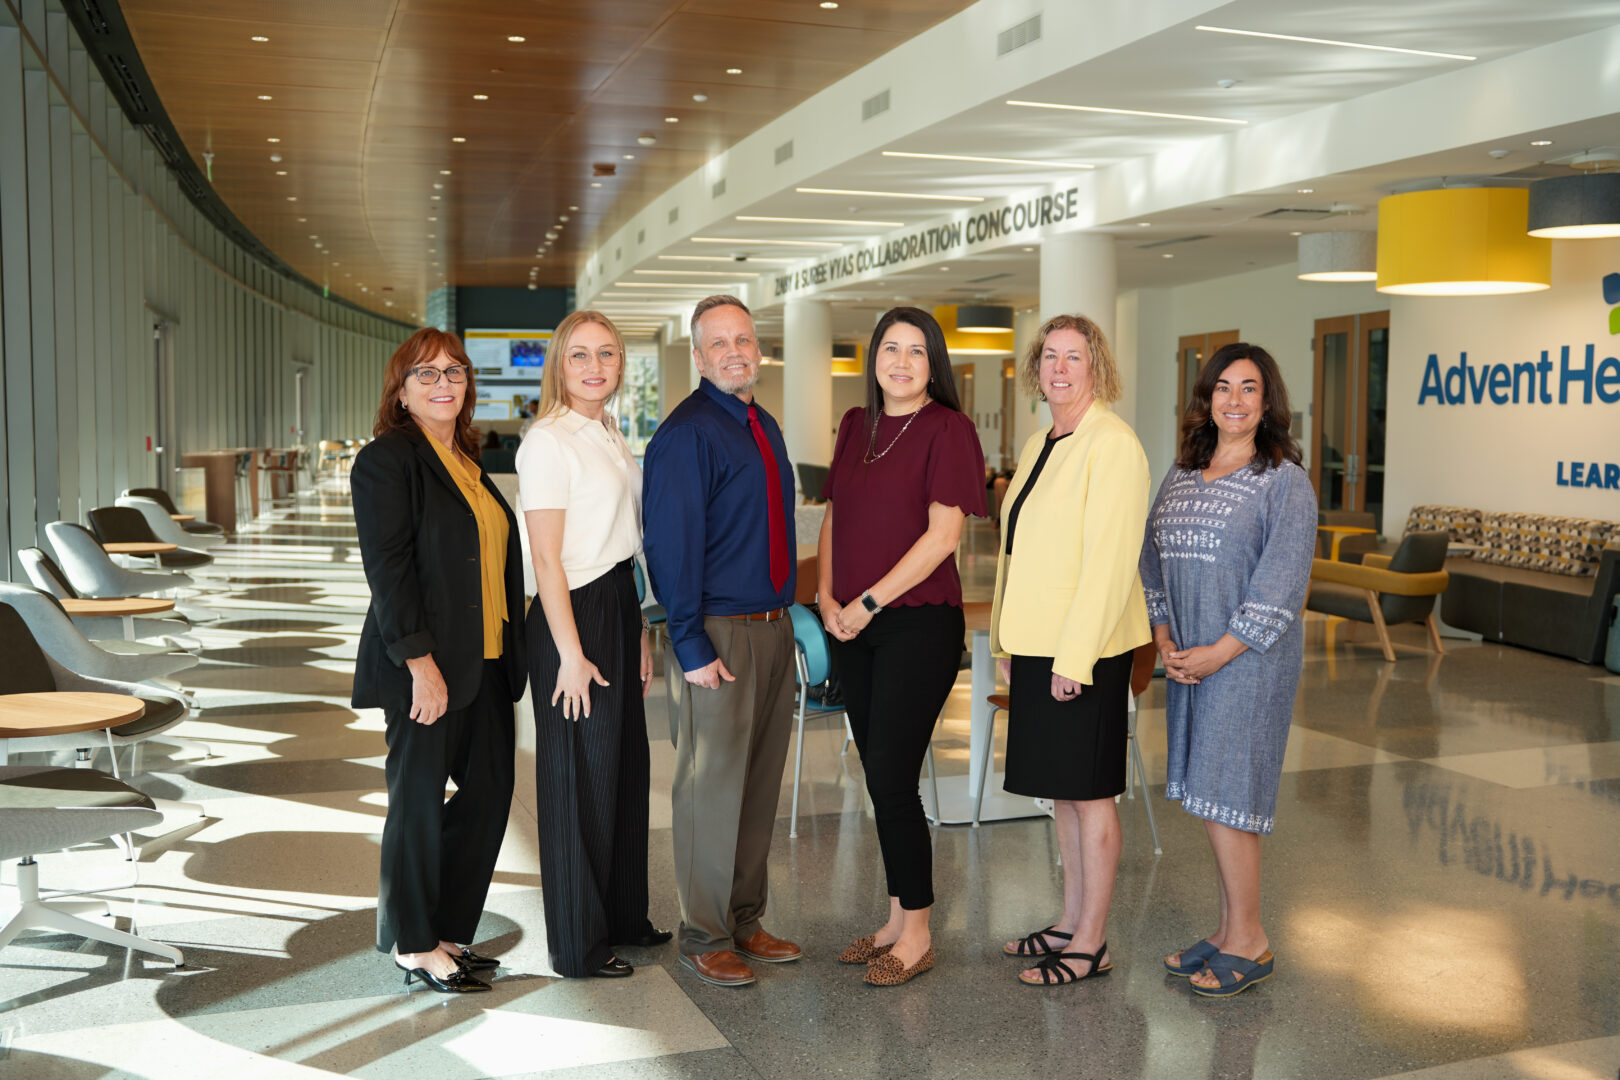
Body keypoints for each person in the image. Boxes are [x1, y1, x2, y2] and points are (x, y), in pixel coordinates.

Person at [351, 327, 527, 994]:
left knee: (489, 795)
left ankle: (446, 929)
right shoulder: (387, 461)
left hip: (488, 662)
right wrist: (418, 663)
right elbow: (389, 570)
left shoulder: (468, 461)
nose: (443, 382)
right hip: (428, 666)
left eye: (454, 371)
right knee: (418, 802)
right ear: (401, 391)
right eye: (425, 373)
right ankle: (414, 943)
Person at [1140, 343, 1316, 998]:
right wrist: (1163, 636)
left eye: (1248, 388)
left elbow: (1282, 583)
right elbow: (1151, 557)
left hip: (1248, 663)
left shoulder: (1284, 481)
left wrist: (1220, 651)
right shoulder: (1184, 472)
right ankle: (1225, 931)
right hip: (1190, 659)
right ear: (1206, 399)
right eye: (1222, 388)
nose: (1234, 400)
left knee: (1230, 800)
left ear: (1267, 403)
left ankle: (1251, 940)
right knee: (1210, 797)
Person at [817, 307, 986, 987]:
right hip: (852, 626)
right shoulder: (855, 425)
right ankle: (893, 921)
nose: (903, 362)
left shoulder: (948, 429)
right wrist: (827, 597)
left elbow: (943, 538)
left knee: (891, 775)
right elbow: (834, 515)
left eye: (917, 351)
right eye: (892, 348)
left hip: (917, 623)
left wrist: (865, 603)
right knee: (879, 777)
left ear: (933, 364)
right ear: (874, 358)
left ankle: (917, 933)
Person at [988, 314, 1152, 988]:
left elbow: (1109, 565)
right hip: (1039, 645)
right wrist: (1007, 639)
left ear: (1097, 368)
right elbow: (1017, 551)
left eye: (1074, 357)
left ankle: (1091, 942)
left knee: (1090, 794)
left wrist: (1073, 659)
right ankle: (1069, 920)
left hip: (1086, 651)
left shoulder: (1114, 445)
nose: (1059, 368)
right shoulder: (1041, 442)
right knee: (1061, 793)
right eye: (1050, 356)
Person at [642, 294, 800, 988]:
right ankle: (704, 934)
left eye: (744, 340)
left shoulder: (763, 423)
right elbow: (670, 547)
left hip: (772, 628)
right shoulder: (688, 433)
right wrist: (690, 644)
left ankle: (744, 919)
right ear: (698, 356)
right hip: (717, 635)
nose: (735, 353)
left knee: (757, 786)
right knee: (709, 790)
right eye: (719, 343)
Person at [517, 310, 670, 980]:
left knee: (625, 770)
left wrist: (636, 631)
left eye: (607, 354)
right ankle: (578, 944)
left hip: (615, 604)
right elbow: (546, 559)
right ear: (559, 363)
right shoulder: (548, 441)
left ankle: (623, 917)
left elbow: (623, 544)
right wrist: (571, 654)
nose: (594, 367)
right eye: (579, 355)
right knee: (578, 780)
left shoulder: (607, 430)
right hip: (572, 613)